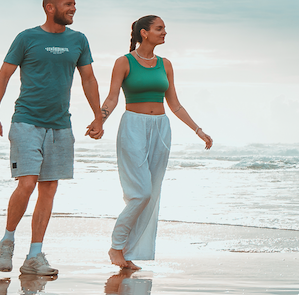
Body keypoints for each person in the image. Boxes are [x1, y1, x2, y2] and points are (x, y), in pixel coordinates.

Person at [0, 0, 105, 276]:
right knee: (27, 183)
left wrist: (98, 115)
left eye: (75, 4)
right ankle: (7, 240)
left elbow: (88, 78)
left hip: (60, 125)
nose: (74, 8)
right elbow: (4, 75)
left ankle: (35, 255)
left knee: (49, 188)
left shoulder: (79, 40)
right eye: (68, 4)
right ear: (50, 8)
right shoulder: (27, 38)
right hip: (27, 121)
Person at [90, 15, 213, 270]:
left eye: (164, 29)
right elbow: (112, 98)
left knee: (151, 194)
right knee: (141, 193)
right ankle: (116, 246)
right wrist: (99, 120)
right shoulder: (124, 62)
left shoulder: (165, 64)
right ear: (144, 33)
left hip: (161, 129)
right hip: (133, 126)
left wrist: (198, 130)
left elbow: (175, 104)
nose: (165, 32)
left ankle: (128, 251)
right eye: (159, 28)